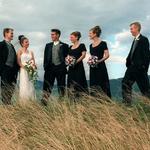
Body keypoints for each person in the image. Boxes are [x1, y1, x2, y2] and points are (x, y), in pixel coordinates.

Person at [122, 22, 150, 106]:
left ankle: (148, 106)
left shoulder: (144, 39)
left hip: (140, 69)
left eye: (131, 29)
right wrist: (128, 62)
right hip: (131, 68)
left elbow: (147, 55)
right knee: (125, 83)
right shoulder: (135, 40)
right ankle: (127, 104)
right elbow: (132, 53)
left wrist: (144, 68)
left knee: (145, 89)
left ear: (137, 28)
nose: (130, 31)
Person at [42, 29, 69, 105]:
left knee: (61, 87)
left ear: (58, 35)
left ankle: (61, 104)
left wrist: (64, 66)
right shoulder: (48, 45)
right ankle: (44, 103)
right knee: (47, 86)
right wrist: (45, 67)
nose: (52, 36)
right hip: (49, 69)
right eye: (51, 34)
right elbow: (45, 57)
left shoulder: (65, 46)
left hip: (60, 69)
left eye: (53, 34)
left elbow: (67, 58)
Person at [89, 26, 111, 98]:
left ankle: (105, 101)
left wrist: (99, 61)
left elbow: (107, 55)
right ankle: (95, 102)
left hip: (101, 67)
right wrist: (90, 61)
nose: (89, 35)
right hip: (92, 68)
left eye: (90, 33)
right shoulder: (90, 45)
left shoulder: (103, 43)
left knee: (102, 83)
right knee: (93, 84)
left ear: (95, 34)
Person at [0, 28, 19, 105]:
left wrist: (16, 69)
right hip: (4, 69)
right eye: (11, 33)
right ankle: (5, 104)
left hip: (12, 71)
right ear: (6, 34)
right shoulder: (1, 44)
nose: (12, 35)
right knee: (5, 87)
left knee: (11, 87)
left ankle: (8, 102)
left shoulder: (12, 46)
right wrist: (1, 70)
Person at [67, 31, 88, 99]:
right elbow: (68, 56)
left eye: (72, 37)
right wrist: (68, 61)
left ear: (77, 37)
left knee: (79, 82)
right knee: (71, 83)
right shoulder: (70, 47)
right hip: (71, 68)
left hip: (79, 67)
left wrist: (75, 62)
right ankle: (71, 99)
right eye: (70, 37)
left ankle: (81, 98)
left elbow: (83, 55)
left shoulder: (82, 45)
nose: (70, 38)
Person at [17, 35, 36, 102]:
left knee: (31, 86)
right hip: (23, 71)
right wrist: (26, 68)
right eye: (26, 42)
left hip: (31, 71)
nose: (28, 43)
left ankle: (32, 102)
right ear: (22, 43)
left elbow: (33, 61)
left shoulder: (31, 52)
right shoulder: (19, 51)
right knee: (24, 86)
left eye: (28, 42)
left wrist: (33, 67)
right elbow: (19, 62)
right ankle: (23, 103)